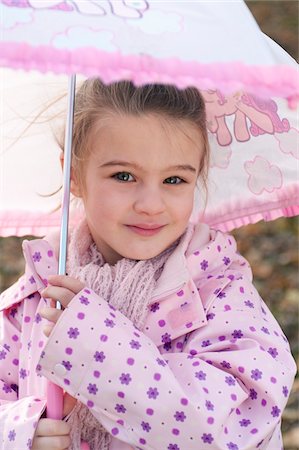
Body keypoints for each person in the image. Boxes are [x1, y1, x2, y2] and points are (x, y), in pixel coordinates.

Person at [0, 80, 296, 450]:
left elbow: (226, 427)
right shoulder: (37, 292)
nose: (151, 204)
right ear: (72, 176)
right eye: (124, 176)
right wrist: (21, 433)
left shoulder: (218, 294)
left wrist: (95, 346)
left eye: (174, 179)